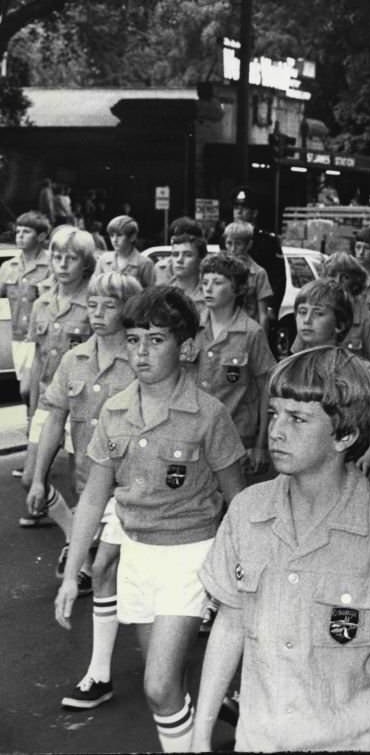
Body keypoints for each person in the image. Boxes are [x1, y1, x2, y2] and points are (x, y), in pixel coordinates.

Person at [191, 346, 370, 751]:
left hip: (353, 740)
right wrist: (200, 737)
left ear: (344, 435)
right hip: (261, 738)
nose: (275, 430)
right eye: (274, 413)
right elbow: (229, 626)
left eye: (297, 419)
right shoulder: (247, 512)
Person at [54, 286, 246, 752]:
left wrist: (240, 569)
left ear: (185, 347)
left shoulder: (208, 414)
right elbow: (95, 498)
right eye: (135, 339)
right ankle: (194, 734)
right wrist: (71, 572)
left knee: (158, 686)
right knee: (167, 683)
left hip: (189, 556)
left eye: (156, 340)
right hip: (137, 556)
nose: (141, 351)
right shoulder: (115, 411)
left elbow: (236, 500)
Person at [26, 272, 142, 710]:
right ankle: (101, 673)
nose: (96, 313)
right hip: (91, 488)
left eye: (107, 305)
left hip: (135, 489)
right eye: (91, 304)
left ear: (127, 309)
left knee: (111, 569)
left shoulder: (141, 361)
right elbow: (53, 417)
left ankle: (104, 673)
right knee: (109, 571)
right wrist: (38, 478)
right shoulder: (75, 359)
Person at [21, 229, 96, 527]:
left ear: (86, 263)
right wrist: (32, 407)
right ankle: (67, 522)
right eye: (57, 257)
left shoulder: (94, 303)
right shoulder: (42, 302)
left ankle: (79, 536)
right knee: (30, 478)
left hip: (83, 403)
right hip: (49, 402)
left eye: (72, 258)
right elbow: (39, 357)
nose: (63, 264)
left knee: (84, 479)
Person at [291, 277, 370, 481]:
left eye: (318, 313)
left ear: (340, 325)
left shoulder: (358, 370)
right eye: (302, 312)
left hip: (341, 469)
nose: (307, 320)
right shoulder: (291, 367)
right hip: (299, 466)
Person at [194, 253, 277, 475]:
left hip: (236, 438)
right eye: (204, 283)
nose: (208, 289)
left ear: (237, 289)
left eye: (218, 282)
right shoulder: (192, 328)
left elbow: (266, 390)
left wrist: (261, 444)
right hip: (194, 434)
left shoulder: (251, 333)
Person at [0, 210, 52, 431]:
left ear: (40, 236)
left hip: (42, 337)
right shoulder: (8, 267)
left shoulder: (51, 265)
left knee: (28, 390)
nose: (19, 236)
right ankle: (37, 429)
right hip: (18, 337)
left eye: (26, 232)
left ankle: (37, 431)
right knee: (29, 390)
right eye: (18, 231)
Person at [320, 251, 370, 385]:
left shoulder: (367, 320)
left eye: (345, 277)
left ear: (355, 282)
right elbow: (297, 357)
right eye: (332, 275)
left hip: (356, 393)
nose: (337, 281)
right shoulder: (315, 314)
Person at [228, 186, 285, 322]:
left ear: (254, 213)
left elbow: (278, 277)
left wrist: (272, 306)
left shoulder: (267, 240)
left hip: (258, 303)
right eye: (236, 208)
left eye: (244, 208)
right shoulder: (225, 236)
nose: (239, 212)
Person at [221, 221, 273, 337]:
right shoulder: (220, 271)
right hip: (224, 330)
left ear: (249, 245)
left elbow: (263, 314)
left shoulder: (259, 273)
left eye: (238, 244)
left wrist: (262, 341)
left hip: (248, 332)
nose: (233, 249)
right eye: (229, 243)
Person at [155, 218, 207, 306]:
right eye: (175, 254)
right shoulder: (162, 291)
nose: (179, 260)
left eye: (188, 255)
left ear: (200, 259)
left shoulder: (209, 292)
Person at [95, 215, 157, 288]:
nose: (114, 240)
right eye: (111, 235)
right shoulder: (104, 259)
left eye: (119, 235)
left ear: (132, 237)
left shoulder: (145, 264)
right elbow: (94, 289)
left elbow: (150, 295)